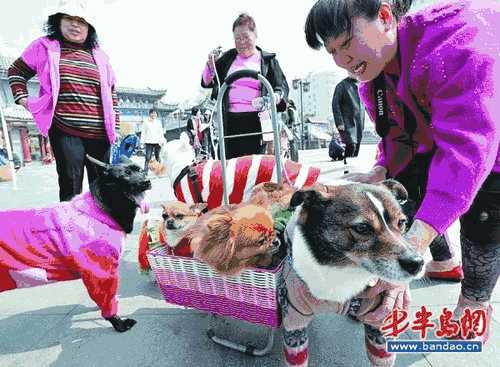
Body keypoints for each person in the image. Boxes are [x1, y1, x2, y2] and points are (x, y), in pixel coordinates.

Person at [306, 0, 500, 348]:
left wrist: (405, 252)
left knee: (484, 213)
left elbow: (467, 153)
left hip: (490, 140)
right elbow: (396, 135)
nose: (341, 60)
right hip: (445, 139)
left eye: (346, 43)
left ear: (383, 16)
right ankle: (444, 262)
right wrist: (381, 170)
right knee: (400, 195)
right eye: (332, 51)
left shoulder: (459, 41)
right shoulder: (373, 75)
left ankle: (474, 303)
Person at [8, 1, 120, 201]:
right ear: (58, 21)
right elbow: (16, 71)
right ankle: (68, 230)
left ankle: (98, 231)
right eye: (69, 19)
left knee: (102, 187)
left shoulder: (101, 56)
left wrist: (116, 128)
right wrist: (24, 99)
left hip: (100, 134)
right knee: (71, 185)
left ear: (89, 28)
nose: (75, 25)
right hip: (65, 130)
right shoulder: (44, 47)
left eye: (81, 21)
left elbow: (112, 94)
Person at [201, 13, 289, 159]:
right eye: (237, 38)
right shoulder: (228, 58)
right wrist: (210, 64)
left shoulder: (268, 60)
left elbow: (281, 87)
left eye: (246, 37)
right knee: (231, 165)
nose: (241, 42)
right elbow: (207, 82)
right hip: (230, 120)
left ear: (255, 35)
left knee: (257, 164)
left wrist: (275, 96)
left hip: (258, 120)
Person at [332, 74, 365, 157]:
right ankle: (347, 168)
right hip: (347, 123)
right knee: (351, 145)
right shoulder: (342, 85)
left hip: (359, 122)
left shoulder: (362, 84)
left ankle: (351, 168)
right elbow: (335, 104)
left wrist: (374, 120)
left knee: (357, 146)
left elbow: (367, 104)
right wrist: (339, 122)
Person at [141, 108, 165, 173]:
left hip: (157, 142)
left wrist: (162, 141)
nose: (153, 114)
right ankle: (145, 171)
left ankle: (160, 170)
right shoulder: (146, 122)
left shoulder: (158, 122)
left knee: (157, 157)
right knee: (148, 157)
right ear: (149, 114)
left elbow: (161, 132)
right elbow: (143, 132)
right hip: (149, 142)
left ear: (157, 114)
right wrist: (142, 142)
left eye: (155, 113)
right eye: (152, 113)